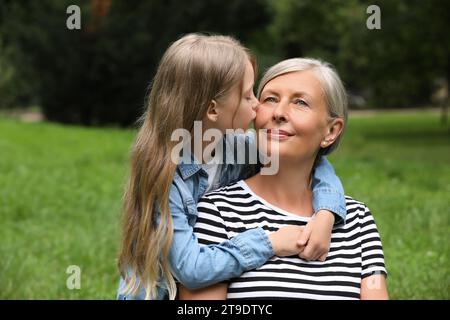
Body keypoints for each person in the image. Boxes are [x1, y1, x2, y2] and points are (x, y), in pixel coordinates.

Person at [117, 35, 347, 300]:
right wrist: (270, 242)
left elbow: (314, 161)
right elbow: (190, 270)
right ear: (214, 110)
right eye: (249, 95)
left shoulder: (236, 148)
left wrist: (326, 213)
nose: (259, 106)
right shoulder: (166, 176)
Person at [180, 58, 388, 300]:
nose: (279, 113)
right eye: (270, 99)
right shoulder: (216, 211)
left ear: (331, 131)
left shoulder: (358, 221)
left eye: (300, 102)